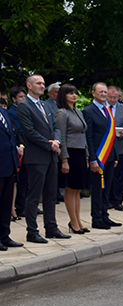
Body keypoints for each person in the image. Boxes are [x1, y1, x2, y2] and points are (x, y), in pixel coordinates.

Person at [16, 74, 70, 243]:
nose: (42, 86)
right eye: (38, 83)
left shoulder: (46, 106)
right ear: (29, 86)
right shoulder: (24, 106)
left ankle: (51, 228)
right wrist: (49, 144)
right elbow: (29, 132)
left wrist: (57, 141)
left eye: (43, 83)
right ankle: (32, 231)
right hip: (36, 157)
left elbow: (55, 127)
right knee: (34, 196)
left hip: (51, 156)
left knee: (50, 195)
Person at [83, 82, 121, 230]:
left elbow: (112, 136)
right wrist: (92, 159)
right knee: (98, 188)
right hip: (98, 157)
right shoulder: (88, 111)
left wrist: (116, 156)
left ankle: (105, 215)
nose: (104, 95)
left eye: (105, 92)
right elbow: (89, 137)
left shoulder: (107, 110)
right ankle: (97, 217)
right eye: (101, 92)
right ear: (93, 93)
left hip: (110, 156)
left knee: (107, 187)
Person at [54, 84, 90, 234]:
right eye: (70, 93)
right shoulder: (62, 113)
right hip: (70, 153)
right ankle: (73, 222)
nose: (74, 96)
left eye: (75, 93)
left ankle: (78, 219)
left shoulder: (78, 112)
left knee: (77, 189)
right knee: (70, 188)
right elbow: (61, 136)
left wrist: (87, 156)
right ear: (64, 96)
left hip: (81, 152)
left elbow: (84, 135)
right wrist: (64, 159)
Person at [0, 100, 23, 250]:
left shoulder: (4, 112)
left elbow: (10, 137)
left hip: (9, 164)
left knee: (6, 204)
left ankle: (4, 235)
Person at [8, 86, 27, 220]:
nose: (23, 99)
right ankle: (20, 206)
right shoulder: (11, 113)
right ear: (14, 99)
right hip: (20, 147)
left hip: (28, 146)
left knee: (27, 179)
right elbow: (18, 131)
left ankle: (25, 204)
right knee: (20, 180)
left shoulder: (26, 109)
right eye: (20, 97)